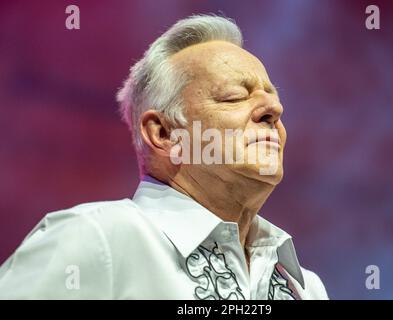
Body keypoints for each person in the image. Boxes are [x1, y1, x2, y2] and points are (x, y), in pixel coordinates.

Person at [0, 14, 328, 300]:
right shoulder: (97, 238)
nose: (274, 109)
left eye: (272, 97)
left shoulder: (305, 288)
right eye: (234, 97)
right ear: (164, 134)